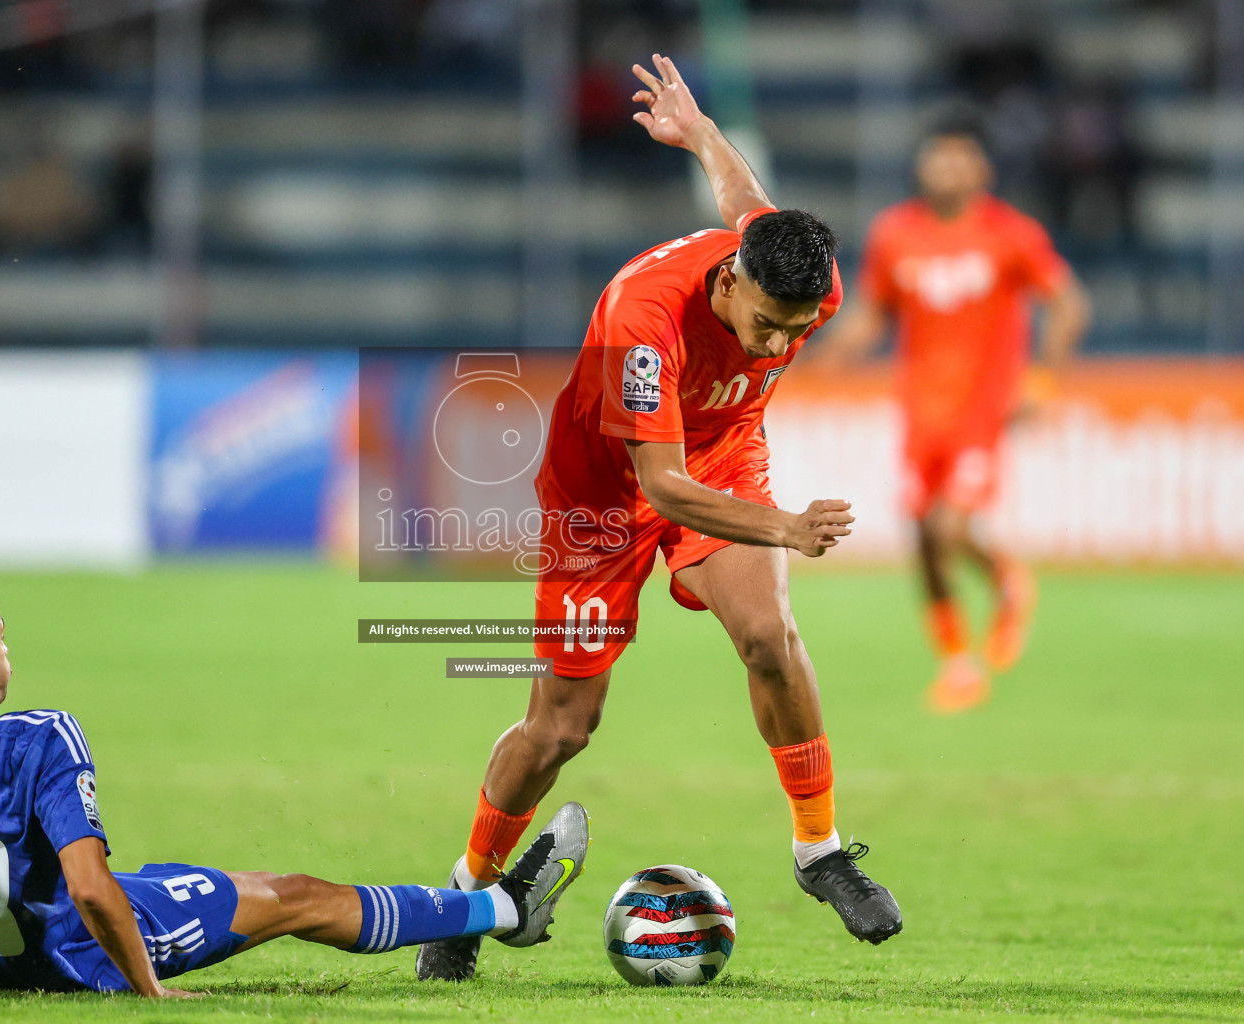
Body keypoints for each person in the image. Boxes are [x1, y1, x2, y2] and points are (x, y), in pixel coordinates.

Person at [415, 54, 901, 983]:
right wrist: (788, 527)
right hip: (606, 492)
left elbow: (746, 195)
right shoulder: (646, 326)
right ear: (726, 285)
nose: (781, 345)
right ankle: (462, 897)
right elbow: (663, 488)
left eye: (798, 330)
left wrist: (698, 131)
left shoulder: (800, 276)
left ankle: (820, 849)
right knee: (562, 728)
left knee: (769, 633)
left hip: (720, 453)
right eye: (767, 325)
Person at [0, 581, 587, 997]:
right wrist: (148, 992)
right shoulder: (41, 736)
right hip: (75, 955)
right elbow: (89, 889)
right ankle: (506, 909)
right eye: (1, 636)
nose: (8, 649)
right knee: (291, 896)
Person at [818, 113, 1091, 713]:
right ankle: (965, 647)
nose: (946, 168)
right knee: (923, 540)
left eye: (959, 157)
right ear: (922, 165)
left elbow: (1068, 305)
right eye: (936, 157)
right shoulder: (896, 233)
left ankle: (990, 615)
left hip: (982, 412)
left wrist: (1043, 380)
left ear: (982, 168)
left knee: (948, 528)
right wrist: (831, 349)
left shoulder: (1011, 235)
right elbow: (875, 311)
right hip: (921, 414)